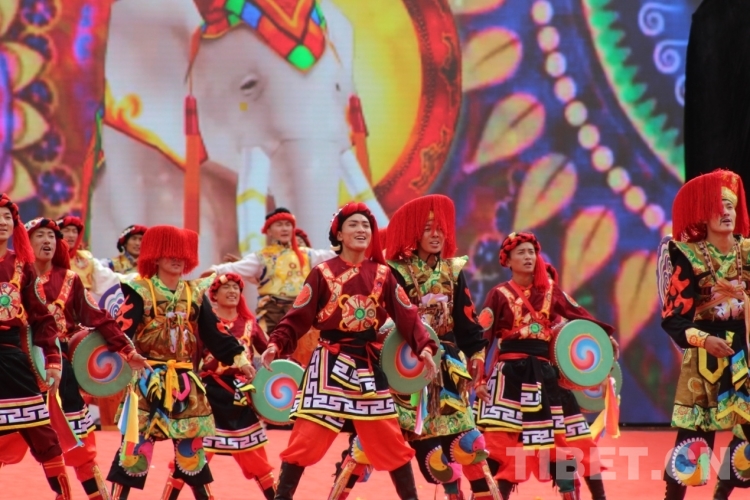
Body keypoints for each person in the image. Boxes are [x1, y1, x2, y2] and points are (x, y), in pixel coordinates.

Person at [261, 202, 439, 499]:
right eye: (353, 224)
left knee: (392, 444)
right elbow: (298, 316)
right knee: (305, 442)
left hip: (368, 367)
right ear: (339, 234)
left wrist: (424, 347)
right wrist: (276, 343)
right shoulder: (322, 273)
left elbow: (407, 315)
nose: (361, 230)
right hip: (329, 364)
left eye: (366, 225)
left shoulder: (382, 274)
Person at [331, 195, 494, 499]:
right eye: (428, 228)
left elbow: (467, 323)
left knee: (469, 445)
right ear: (415, 233)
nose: (436, 235)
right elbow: (379, 319)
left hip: (445, 371)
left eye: (440, 229)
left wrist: (476, 356)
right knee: (368, 445)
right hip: (402, 367)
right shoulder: (393, 271)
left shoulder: (453, 271)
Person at [0, 218, 150, 499]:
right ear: (25, 241)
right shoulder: (14, 275)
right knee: (7, 436)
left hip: (60, 372)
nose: (48, 241)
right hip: (17, 367)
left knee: (79, 444)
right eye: (39, 235)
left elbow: (99, 318)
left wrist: (126, 350)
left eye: (52, 236)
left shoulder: (70, 280)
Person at [106, 225, 256, 500]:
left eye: (181, 254)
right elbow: (119, 331)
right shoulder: (140, 290)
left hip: (185, 383)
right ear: (156, 256)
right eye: (170, 253)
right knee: (134, 452)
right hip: (148, 380)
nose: (177, 259)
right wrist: (128, 353)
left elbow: (215, 332)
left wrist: (240, 358)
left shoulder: (195, 292)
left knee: (192, 454)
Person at [476, 232, 617, 500]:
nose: (528, 257)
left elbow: (579, 316)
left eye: (532, 252)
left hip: (545, 377)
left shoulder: (551, 291)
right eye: (521, 252)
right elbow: (482, 338)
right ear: (507, 260)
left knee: (570, 442)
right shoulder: (498, 294)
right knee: (500, 446)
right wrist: (480, 379)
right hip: (509, 377)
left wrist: (604, 339)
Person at [661, 169, 750, 500]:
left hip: (744, 353)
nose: (726, 212)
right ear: (703, 214)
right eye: (718, 206)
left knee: (748, 439)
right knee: (693, 442)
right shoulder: (689, 255)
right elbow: (673, 319)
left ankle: (721, 494)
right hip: (703, 358)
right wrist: (705, 340)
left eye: (730, 205)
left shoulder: (748, 251)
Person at [161, 273, 275, 500]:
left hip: (240, 399)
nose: (232, 291)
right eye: (226, 287)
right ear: (213, 294)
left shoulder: (250, 324)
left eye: (236, 287)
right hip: (209, 396)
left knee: (258, 461)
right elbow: (192, 358)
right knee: (189, 457)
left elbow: (270, 356)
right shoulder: (205, 324)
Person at [0, 195, 71, 499]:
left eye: (7, 217)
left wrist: (53, 359)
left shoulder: (23, 266)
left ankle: (64, 495)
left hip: (13, 358)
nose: (2, 222)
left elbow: (42, 318)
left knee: (42, 433)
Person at [206, 207, 335, 334]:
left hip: (300, 311)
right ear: (269, 231)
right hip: (271, 313)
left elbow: (336, 256)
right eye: (279, 225)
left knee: (303, 345)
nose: (284, 228)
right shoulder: (261, 257)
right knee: (268, 344)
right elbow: (236, 267)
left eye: (288, 225)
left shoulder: (308, 255)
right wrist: (215, 270)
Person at [58, 215, 95, 289]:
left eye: (74, 231)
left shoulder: (87, 258)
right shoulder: (48, 258)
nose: (71, 235)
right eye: (66, 231)